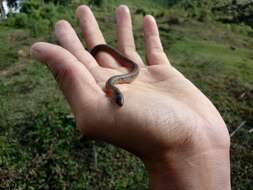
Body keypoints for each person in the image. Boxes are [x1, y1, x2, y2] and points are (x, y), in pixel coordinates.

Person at [30, 5, 231, 190]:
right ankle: (99, 49)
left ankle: (99, 50)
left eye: (119, 100)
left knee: (127, 65)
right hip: (120, 77)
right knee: (113, 58)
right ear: (114, 95)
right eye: (118, 100)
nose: (119, 103)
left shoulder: (114, 86)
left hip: (124, 75)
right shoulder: (112, 87)